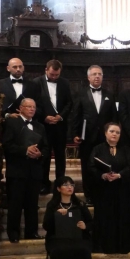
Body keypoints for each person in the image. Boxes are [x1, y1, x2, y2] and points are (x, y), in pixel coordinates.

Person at [42, 176, 106, 259]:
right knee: (59, 251)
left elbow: (91, 223)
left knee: (83, 251)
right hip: (57, 238)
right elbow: (46, 225)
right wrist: (56, 215)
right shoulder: (53, 205)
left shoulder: (80, 204)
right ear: (58, 188)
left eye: (71, 185)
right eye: (66, 185)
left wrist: (85, 226)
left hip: (78, 237)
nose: (69, 187)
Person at [2, 98, 48, 243]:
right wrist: (24, 150)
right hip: (17, 170)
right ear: (20, 108)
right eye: (28, 106)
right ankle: (13, 233)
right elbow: (7, 145)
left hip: (34, 171)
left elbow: (46, 147)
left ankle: (31, 232)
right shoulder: (12, 122)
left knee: (32, 204)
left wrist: (40, 154)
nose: (32, 109)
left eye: (34, 107)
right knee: (15, 203)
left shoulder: (40, 126)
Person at [72, 65, 118, 206]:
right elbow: (75, 115)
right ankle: (89, 195)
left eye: (99, 74)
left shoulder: (109, 95)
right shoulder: (80, 94)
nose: (97, 76)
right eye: (94, 74)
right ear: (88, 77)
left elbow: (114, 117)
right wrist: (74, 134)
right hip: (87, 138)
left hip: (105, 139)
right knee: (87, 167)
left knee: (105, 166)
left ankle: (103, 193)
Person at [89, 123, 130, 254]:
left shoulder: (126, 149)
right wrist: (103, 175)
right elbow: (91, 167)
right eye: (112, 131)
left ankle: (123, 246)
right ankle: (105, 246)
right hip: (104, 190)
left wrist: (120, 175)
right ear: (105, 133)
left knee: (123, 216)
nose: (115, 134)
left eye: (117, 132)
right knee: (105, 217)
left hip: (122, 190)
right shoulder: (97, 149)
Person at [30, 59, 73, 194]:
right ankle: (44, 184)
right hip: (43, 126)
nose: (54, 77)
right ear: (46, 70)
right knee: (45, 155)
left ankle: (60, 184)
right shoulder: (36, 83)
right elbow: (33, 104)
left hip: (60, 126)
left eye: (57, 75)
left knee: (60, 156)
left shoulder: (65, 83)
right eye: (52, 74)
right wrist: (44, 117)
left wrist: (60, 116)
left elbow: (69, 103)